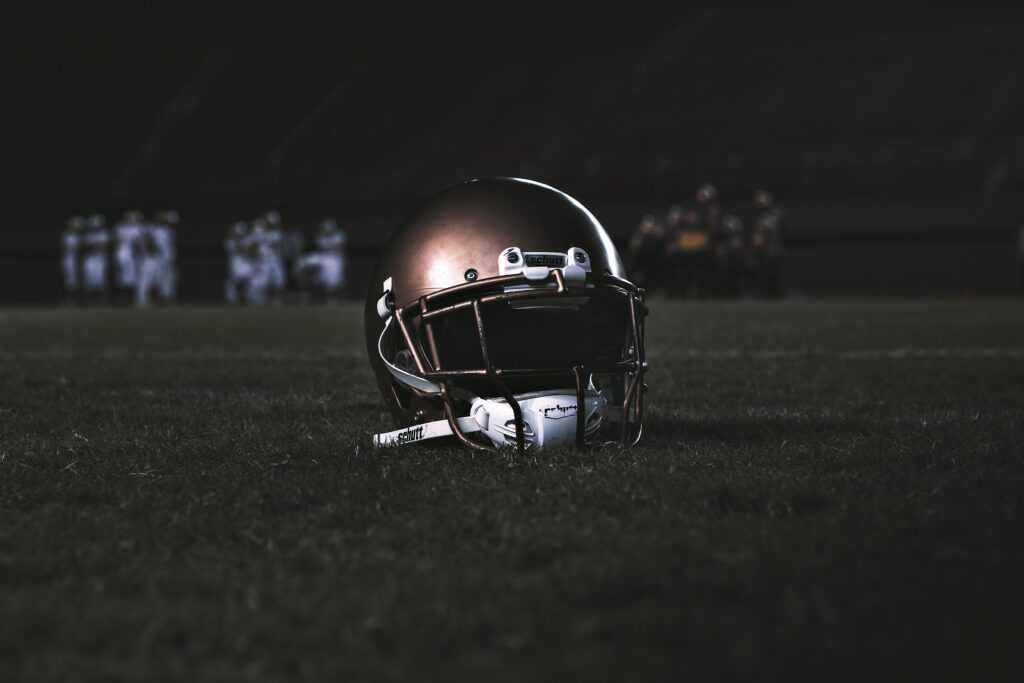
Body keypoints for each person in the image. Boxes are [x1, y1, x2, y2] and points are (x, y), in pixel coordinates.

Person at [748, 189, 785, 298]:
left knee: (770, 275)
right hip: (769, 250)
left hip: (770, 250)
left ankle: (774, 295)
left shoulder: (770, 216)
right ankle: (770, 295)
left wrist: (754, 250)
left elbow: (762, 235)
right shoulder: (767, 216)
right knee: (767, 275)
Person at [626, 213, 667, 293]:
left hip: (651, 261)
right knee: (638, 277)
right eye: (645, 225)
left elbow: (659, 249)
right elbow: (633, 247)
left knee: (650, 277)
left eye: (649, 225)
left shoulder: (654, 236)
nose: (647, 227)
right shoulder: (639, 236)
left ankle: (651, 290)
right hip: (640, 260)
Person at [114, 210, 145, 304]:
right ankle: (124, 298)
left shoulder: (139, 228)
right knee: (123, 277)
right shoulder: (120, 228)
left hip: (134, 255)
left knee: (135, 277)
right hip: (123, 254)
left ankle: (133, 298)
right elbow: (117, 241)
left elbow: (140, 243)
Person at [81, 214, 110, 303]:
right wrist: (94, 246)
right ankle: (89, 300)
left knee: (101, 279)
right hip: (89, 258)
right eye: (93, 224)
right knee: (88, 278)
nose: (95, 226)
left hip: (100, 258)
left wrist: (94, 246)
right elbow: (85, 247)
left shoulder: (104, 233)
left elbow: (104, 247)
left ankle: (102, 299)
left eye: (96, 224)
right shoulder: (87, 234)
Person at [152, 210, 179, 303]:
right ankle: (160, 298)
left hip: (168, 257)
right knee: (159, 278)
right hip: (159, 258)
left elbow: (170, 247)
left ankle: (167, 297)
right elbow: (154, 245)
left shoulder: (169, 232)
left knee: (169, 278)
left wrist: (172, 257)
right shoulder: (156, 230)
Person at [224, 221, 251, 304]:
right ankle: (232, 300)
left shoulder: (247, 240)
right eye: (237, 232)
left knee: (247, 281)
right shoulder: (229, 241)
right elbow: (239, 249)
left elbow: (250, 251)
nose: (239, 234)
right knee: (233, 283)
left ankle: (244, 299)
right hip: (235, 263)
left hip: (246, 263)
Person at [263, 210, 287, 303]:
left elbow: (279, 244)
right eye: (270, 222)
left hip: (276, 260)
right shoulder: (260, 231)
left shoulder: (278, 233)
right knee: (265, 283)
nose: (272, 224)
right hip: (264, 260)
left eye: (274, 223)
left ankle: (278, 300)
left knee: (279, 282)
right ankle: (266, 301)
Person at [61, 215, 84, 305]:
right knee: (70, 280)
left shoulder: (81, 237)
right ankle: (70, 299)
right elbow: (64, 248)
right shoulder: (67, 235)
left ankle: (79, 300)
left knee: (80, 279)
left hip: (79, 260)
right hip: (69, 259)